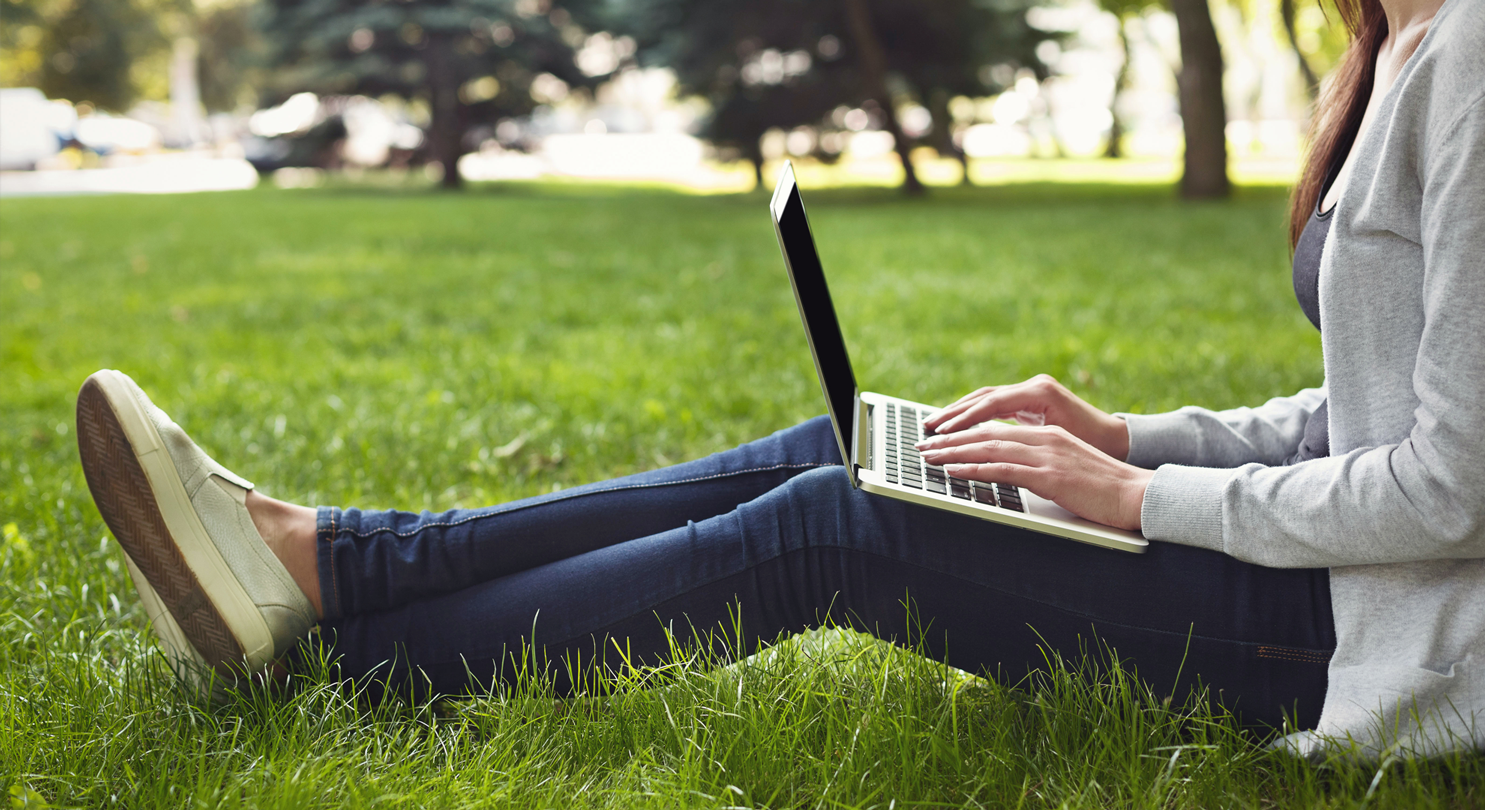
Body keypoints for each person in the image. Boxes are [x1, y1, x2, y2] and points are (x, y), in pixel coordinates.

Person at [77, 0, 1481, 758]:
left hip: (1358, 640)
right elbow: (1366, 402)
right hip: (1316, 573)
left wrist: (1138, 494)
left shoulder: (1471, 51)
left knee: (843, 526)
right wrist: (1123, 436)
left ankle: (342, 658)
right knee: (844, 444)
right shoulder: (1392, 39)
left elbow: (1452, 484)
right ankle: (340, 559)